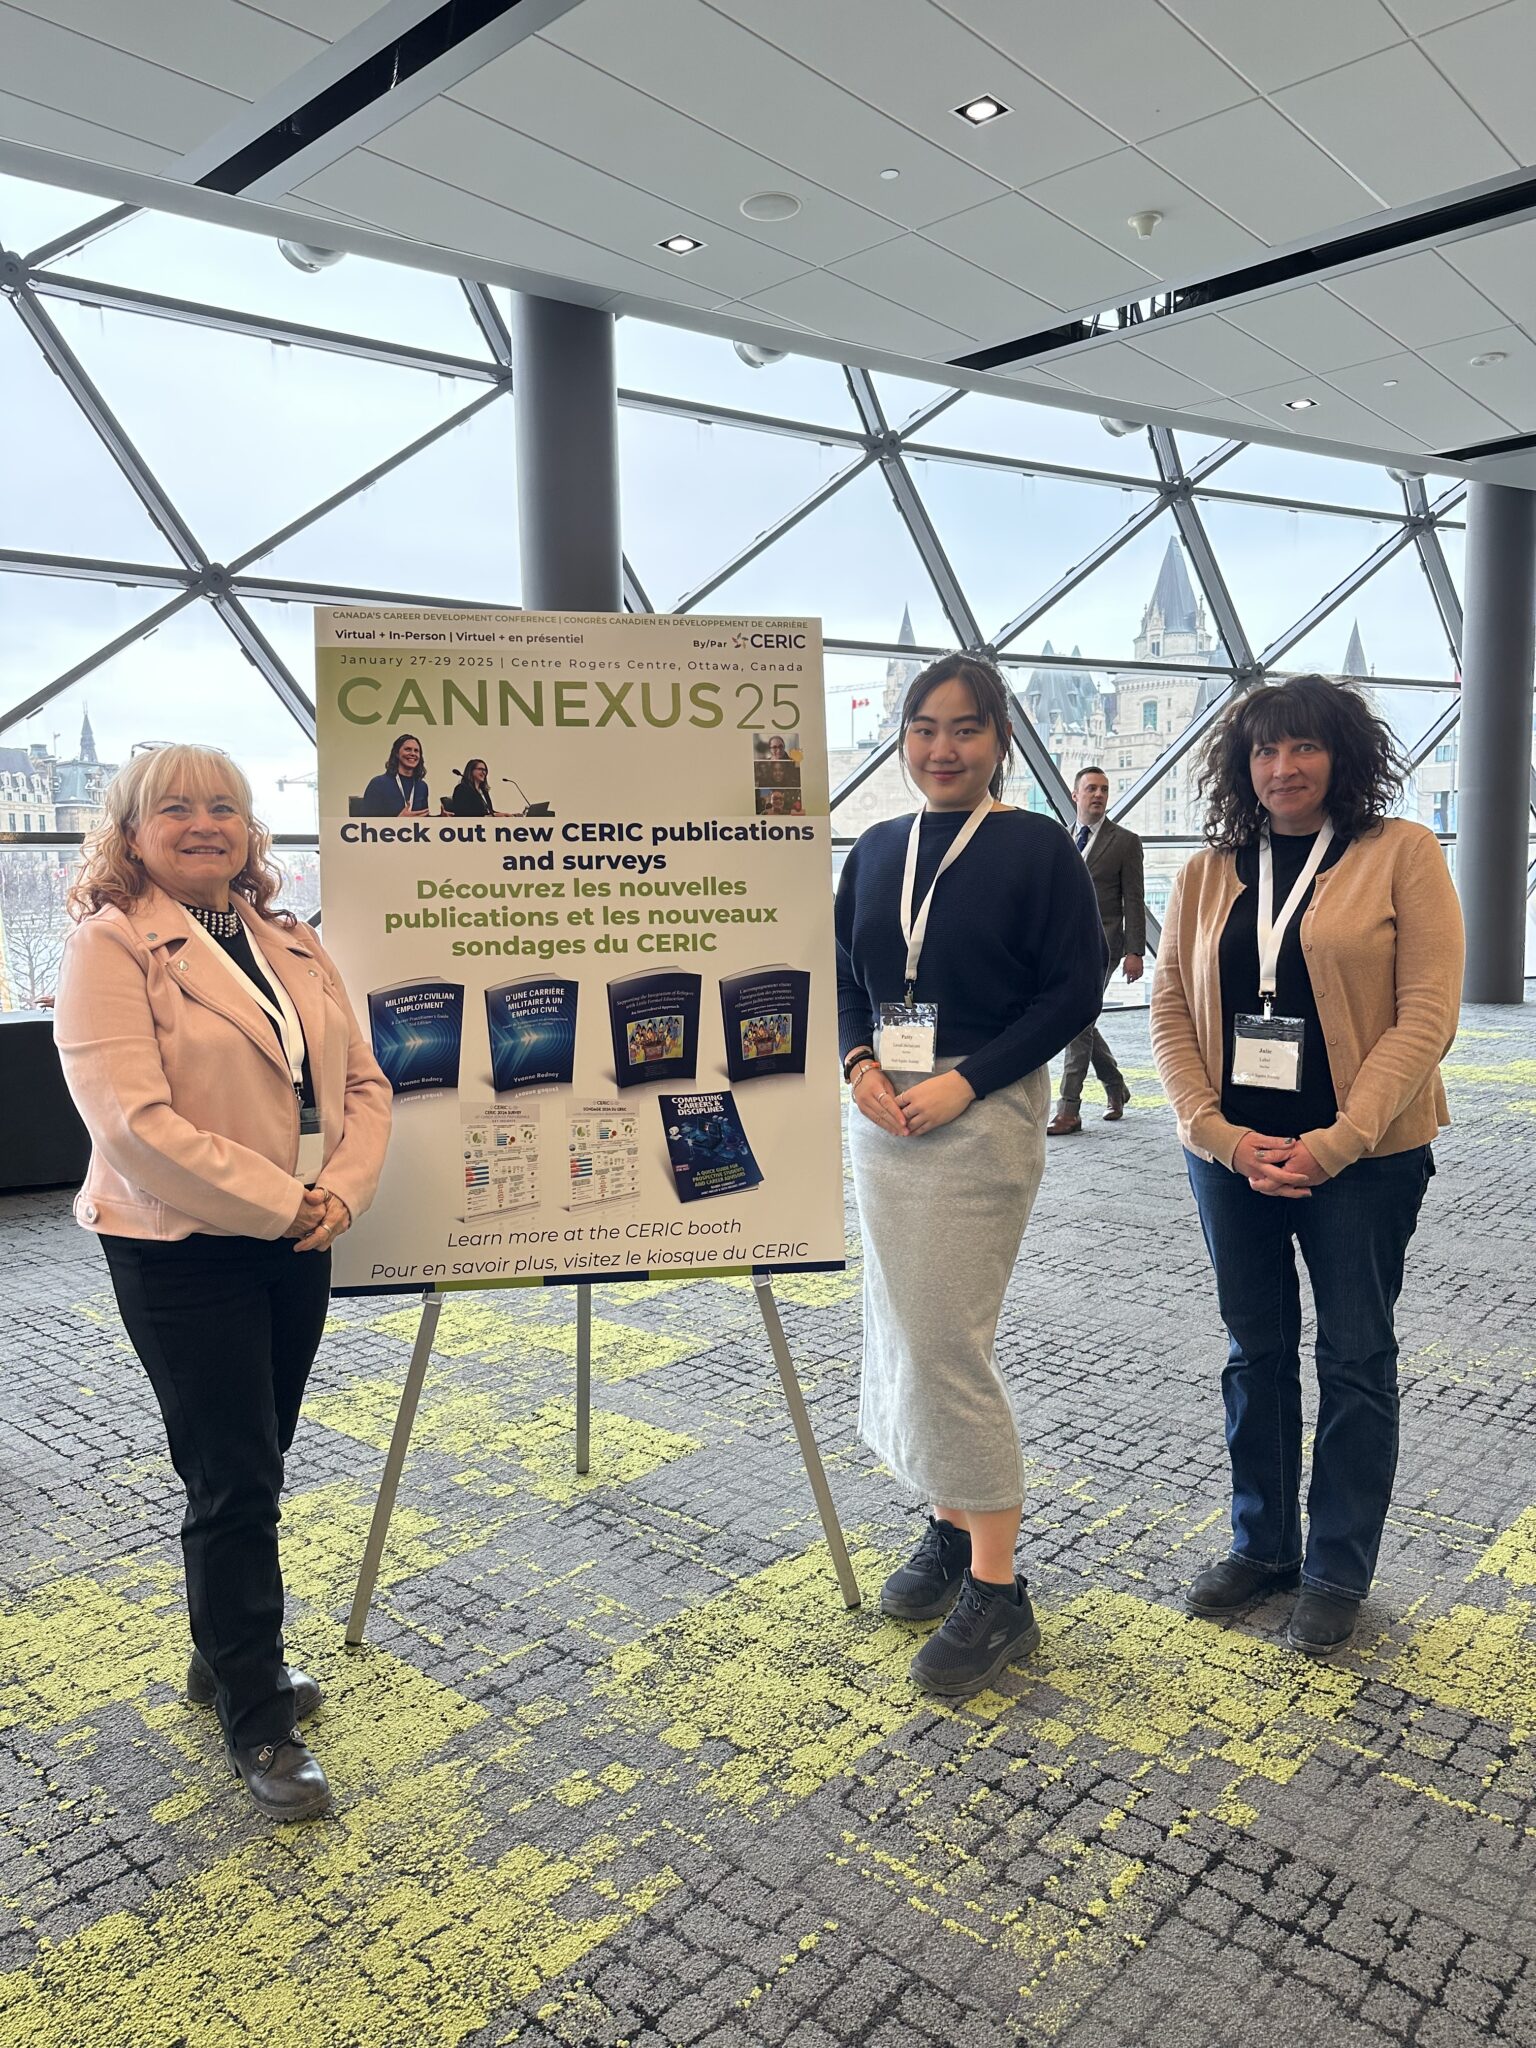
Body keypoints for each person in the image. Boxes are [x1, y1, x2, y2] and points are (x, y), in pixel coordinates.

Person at [53, 745, 392, 1819]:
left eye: (228, 807)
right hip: (182, 1242)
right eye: (178, 807)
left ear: (252, 830)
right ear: (132, 829)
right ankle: (256, 1712)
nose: (207, 823)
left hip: (298, 1231)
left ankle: (220, 1646)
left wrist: (338, 1186)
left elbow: (359, 1079)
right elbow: (132, 1126)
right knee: (233, 1474)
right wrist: (282, 1198)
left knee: (261, 1451)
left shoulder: (289, 940)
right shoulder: (110, 947)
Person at [1150, 677, 1463, 1655]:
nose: (1282, 768)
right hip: (1231, 1156)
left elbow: (1427, 1015)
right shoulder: (1208, 868)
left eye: (1303, 748)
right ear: (1242, 765)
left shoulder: (1401, 852)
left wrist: (1337, 1140)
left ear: (1343, 755)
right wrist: (1216, 1131)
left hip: (1365, 1161)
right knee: (1256, 1351)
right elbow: (1168, 1004)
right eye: (1263, 752)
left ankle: (1336, 1565)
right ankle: (1264, 1543)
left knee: (1357, 1355)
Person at [836, 654, 1105, 1697]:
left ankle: (999, 1589)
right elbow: (848, 977)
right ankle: (949, 1525)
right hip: (883, 1116)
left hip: (980, 1115)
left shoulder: (1037, 848)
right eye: (922, 728)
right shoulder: (875, 848)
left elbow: (1071, 992)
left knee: (949, 1338)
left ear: (999, 738)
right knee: (900, 1326)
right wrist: (859, 1061)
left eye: (965, 729)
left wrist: (971, 1081)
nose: (941, 749)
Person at [1050, 766, 1146, 1135]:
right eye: (1090, 788)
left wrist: (1135, 950)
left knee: (1077, 1022)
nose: (1098, 795)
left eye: (1104, 789)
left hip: (1103, 947)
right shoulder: (1061, 838)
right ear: (1075, 795)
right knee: (1082, 1021)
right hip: (1062, 947)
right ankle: (1115, 1086)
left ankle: (1069, 1109)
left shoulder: (1124, 841)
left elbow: (1133, 900)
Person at [358, 734, 429, 817]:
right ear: (396, 753)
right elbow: (366, 822)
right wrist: (398, 821)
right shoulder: (378, 784)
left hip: (416, 830)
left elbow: (425, 820)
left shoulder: (422, 786)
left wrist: (442, 819)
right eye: (408, 749)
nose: (413, 753)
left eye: (416, 751)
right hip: (388, 830)